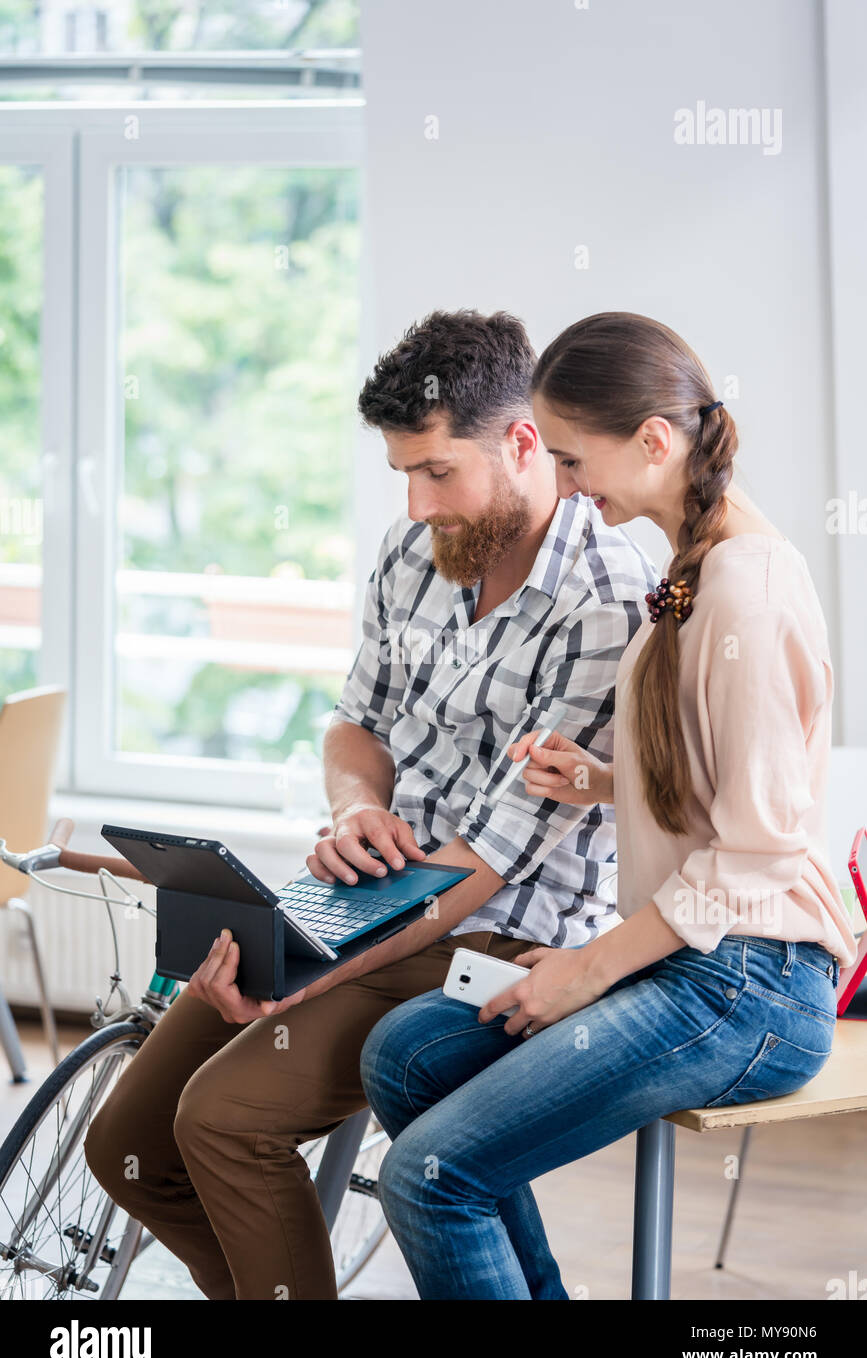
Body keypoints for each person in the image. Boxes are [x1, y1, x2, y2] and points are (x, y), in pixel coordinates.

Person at [83, 308, 657, 1300]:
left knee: (220, 1121)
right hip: (373, 900)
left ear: (525, 442)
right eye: (402, 473)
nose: (417, 500)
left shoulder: (606, 600)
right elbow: (356, 727)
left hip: (494, 937)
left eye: (437, 471)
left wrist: (299, 973)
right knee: (124, 1142)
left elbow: (482, 866)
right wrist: (354, 810)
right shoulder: (416, 554)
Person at [359, 310, 859, 1301]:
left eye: (576, 458)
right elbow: (722, 775)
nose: (568, 482)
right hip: (693, 955)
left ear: (655, 442)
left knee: (429, 1176)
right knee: (406, 1054)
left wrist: (591, 967)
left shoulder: (747, 594)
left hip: (748, 984)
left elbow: (757, 851)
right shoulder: (694, 564)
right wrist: (599, 779)